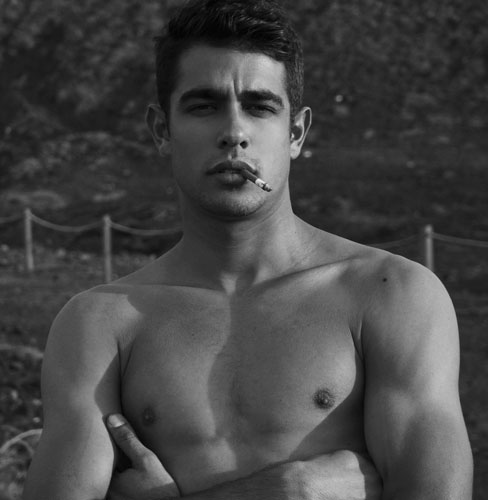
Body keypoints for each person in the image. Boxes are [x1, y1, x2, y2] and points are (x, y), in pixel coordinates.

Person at [23, 0, 473, 499]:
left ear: (295, 133)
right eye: (203, 106)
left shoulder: (391, 295)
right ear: (161, 130)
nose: (234, 133)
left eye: (260, 107)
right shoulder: (100, 324)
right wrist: (286, 489)